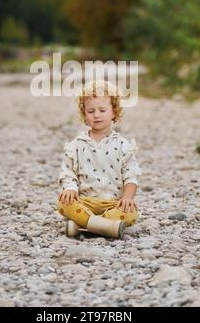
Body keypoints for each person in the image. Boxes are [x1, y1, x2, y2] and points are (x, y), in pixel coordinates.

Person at [57, 80, 142, 239]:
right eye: (91, 111)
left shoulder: (123, 145)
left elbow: (131, 174)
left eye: (102, 110)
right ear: (84, 115)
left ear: (114, 112)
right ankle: (105, 227)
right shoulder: (76, 145)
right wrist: (70, 189)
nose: (96, 115)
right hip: (85, 201)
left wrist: (127, 198)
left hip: (113, 203)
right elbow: (68, 172)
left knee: (131, 212)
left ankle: (82, 224)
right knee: (63, 203)